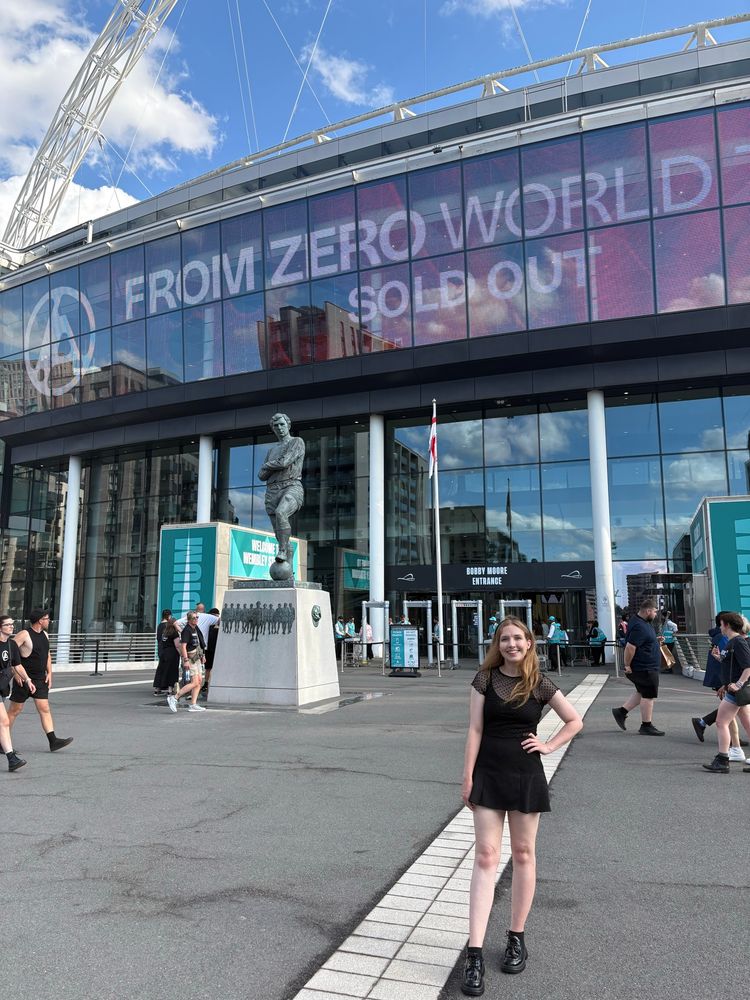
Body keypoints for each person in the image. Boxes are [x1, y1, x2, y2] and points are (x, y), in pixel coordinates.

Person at [460, 617, 582, 995]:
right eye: (505, 639)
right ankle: (475, 953)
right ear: (498, 644)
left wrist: (548, 745)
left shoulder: (539, 683)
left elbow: (574, 720)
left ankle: (516, 936)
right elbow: (475, 729)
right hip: (489, 773)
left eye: (518, 638)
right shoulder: (484, 679)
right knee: (485, 857)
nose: (511, 644)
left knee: (525, 853)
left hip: (525, 774)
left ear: (530, 643)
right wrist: (467, 777)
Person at [6, 609, 73, 752]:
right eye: (46, 618)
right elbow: (9, 653)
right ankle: (2, 742)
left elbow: (47, 655)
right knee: (15, 710)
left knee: (45, 708)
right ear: (39, 620)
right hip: (24, 680)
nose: (49, 621)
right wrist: (16, 674)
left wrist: (50, 673)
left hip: (40, 679)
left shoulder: (45, 635)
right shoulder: (24, 634)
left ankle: (53, 741)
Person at [691, 614, 748, 759]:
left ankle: (724, 758)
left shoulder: (738, 642)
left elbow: (748, 667)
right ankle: (732, 753)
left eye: (721, 625)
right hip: (733, 689)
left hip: (737, 689)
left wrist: (738, 684)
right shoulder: (732, 641)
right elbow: (732, 665)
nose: (720, 628)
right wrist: (720, 658)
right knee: (739, 721)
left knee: (722, 722)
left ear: (727, 625)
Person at [257, 412, 305, 564]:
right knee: (280, 535)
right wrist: (271, 465)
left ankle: (282, 551)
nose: (279, 428)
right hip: (272, 491)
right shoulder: (271, 451)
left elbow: (285, 462)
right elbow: (261, 475)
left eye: (282, 424)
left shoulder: (296, 442)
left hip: (291, 486)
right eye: (276, 426)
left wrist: (267, 465)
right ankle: (288, 569)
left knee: (281, 512)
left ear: (288, 425)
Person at [612, 598, 664, 736]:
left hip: (645, 665)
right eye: (654, 611)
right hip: (645, 666)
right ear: (648, 611)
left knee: (642, 692)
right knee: (648, 695)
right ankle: (646, 725)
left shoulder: (641, 622)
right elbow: (630, 647)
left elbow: (640, 641)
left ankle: (621, 712)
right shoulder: (639, 626)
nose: (655, 614)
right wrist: (627, 665)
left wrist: (654, 640)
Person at [0, 615, 34, 772]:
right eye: (7, 625)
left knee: (3, 722)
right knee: (4, 722)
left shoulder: (12, 645)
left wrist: (27, 680)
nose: (11, 627)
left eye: (12, 624)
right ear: (0, 627)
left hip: (2, 687)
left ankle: (11, 758)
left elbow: (17, 665)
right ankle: (11, 758)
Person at [167, 612, 206, 713]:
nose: (196, 619)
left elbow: (199, 643)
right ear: (189, 620)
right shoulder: (187, 630)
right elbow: (183, 646)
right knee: (194, 682)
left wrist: (203, 655)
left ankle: (193, 704)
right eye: (193, 618)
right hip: (190, 659)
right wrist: (186, 661)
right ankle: (174, 698)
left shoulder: (195, 628)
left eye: (197, 617)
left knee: (199, 681)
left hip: (197, 658)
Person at [152, 609, 173, 695]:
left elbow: (158, 638)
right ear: (169, 616)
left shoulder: (159, 625)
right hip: (168, 648)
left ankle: (158, 687)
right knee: (169, 668)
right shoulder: (169, 625)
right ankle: (169, 687)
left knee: (160, 667)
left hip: (160, 649)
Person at [203, 608, 221, 695]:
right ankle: (207, 683)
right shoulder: (210, 625)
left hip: (212, 649)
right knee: (209, 668)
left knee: (209, 668)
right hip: (211, 649)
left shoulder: (217, 625)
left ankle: (208, 684)